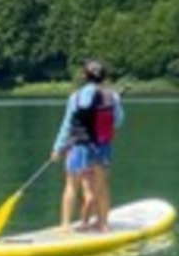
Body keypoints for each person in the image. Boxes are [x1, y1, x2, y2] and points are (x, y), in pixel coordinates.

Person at [51, 59, 124, 233]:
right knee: (101, 187)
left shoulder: (75, 97)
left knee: (71, 186)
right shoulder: (112, 96)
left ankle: (65, 225)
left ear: (85, 76)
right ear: (103, 77)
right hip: (101, 147)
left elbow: (67, 125)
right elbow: (119, 121)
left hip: (78, 146)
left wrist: (57, 148)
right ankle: (103, 224)